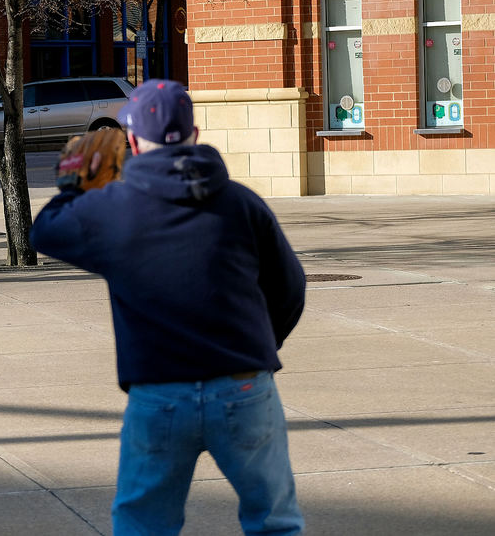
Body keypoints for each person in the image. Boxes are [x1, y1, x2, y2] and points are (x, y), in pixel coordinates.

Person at [29, 80, 305, 535]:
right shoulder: (242, 203)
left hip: (159, 394)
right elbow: (290, 289)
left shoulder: (110, 208)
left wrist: (74, 185)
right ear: (194, 133)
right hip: (244, 387)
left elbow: (45, 233)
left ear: (133, 141)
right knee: (275, 522)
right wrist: (253, 352)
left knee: (144, 525)